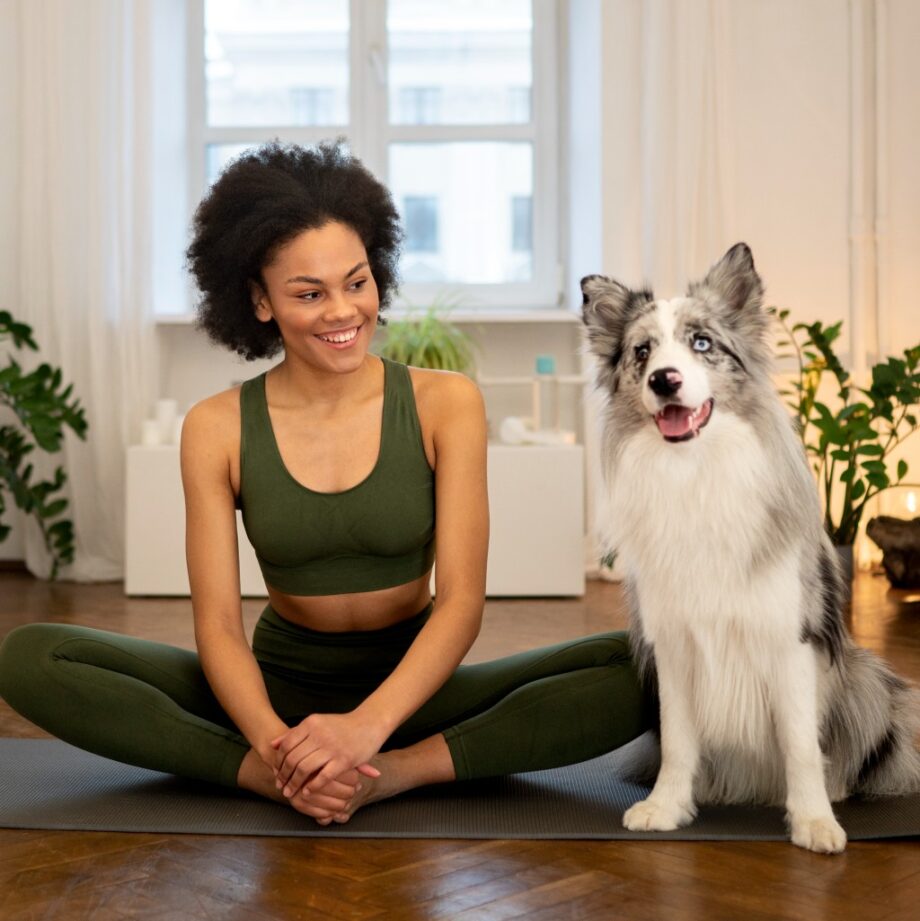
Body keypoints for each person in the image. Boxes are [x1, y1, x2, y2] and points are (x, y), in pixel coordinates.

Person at [0, 141, 651, 825]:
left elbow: (460, 604)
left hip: (415, 693)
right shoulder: (216, 427)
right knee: (33, 658)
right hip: (276, 696)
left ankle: (395, 772)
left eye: (356, 282)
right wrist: (275, 747)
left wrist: (366, 731)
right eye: (309, 293)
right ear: (260, 301)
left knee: (644, 664)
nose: (343, 312)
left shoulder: (446, 403)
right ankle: (274, 777)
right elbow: (217, 626)